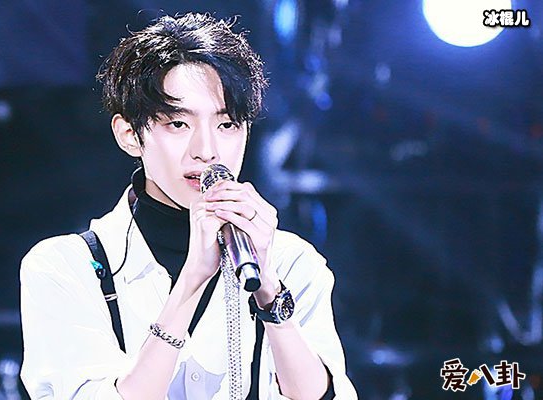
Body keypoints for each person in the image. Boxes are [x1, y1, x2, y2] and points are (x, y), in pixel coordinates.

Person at [20, 12, 357, 400]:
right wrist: (192, 279)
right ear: (129, 135)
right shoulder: (65, 267)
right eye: (178, 124)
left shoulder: (291, 262)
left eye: (227, 125)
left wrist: (269, 292)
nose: (207, 151)